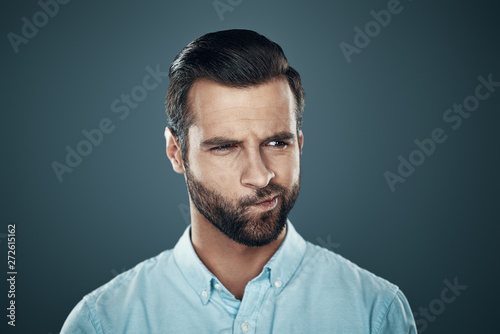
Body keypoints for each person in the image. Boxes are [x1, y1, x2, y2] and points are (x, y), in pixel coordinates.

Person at [61, 29, 417, 333]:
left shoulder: (375, 313)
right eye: (226, 147)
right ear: (176, 153)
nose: (260, 175)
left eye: (277, 143)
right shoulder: (104, 322)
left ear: (300, 144)